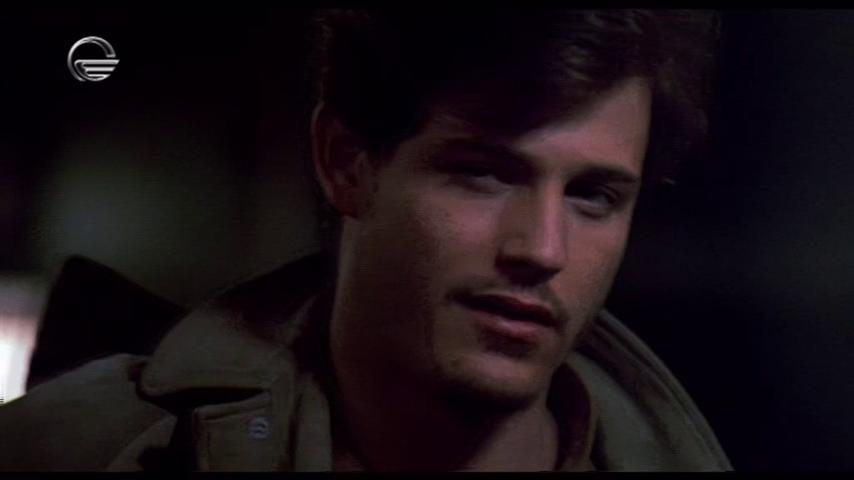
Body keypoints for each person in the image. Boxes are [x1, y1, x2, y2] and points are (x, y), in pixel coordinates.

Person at [0, 9, 730, 471]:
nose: (542, 249)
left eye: (592, 195)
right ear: (346, 162)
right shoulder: (71, 449)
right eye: (484, 174)